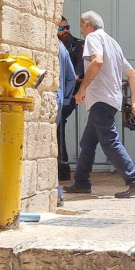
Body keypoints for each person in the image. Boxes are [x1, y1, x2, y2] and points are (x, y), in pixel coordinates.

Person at [64, 11, 135, 198]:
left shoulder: (93, 37)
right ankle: (81, 182)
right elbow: (133, 74)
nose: (81, 30)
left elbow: (97, 61)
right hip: (110, 99)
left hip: (100, 99)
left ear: (88, 24)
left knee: (110, 141)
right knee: (87, 142)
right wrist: (134, 101)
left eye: (81, 25)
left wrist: (82, 89)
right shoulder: (113, 42)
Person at [56, 16, 84, 182]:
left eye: (67, 27)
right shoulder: (54, 45)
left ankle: (63, 168)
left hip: (70, 94)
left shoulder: (78, 45)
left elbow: (78, 72)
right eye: (61, 28)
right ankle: (62, 168)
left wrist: (69, 96)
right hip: (60, 93)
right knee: (58, 128)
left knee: (59, 126)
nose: (66, 31)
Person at [56, 41, 76, 206]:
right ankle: (57, 193)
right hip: (58, 101)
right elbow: (71, 77)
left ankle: (56, 192)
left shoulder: (52, 46)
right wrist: (65, 98)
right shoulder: (62, 47)